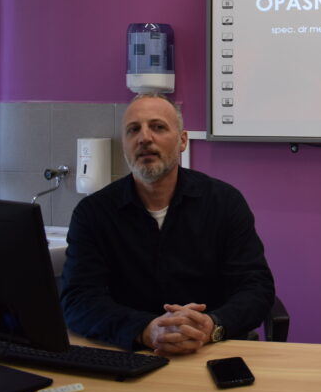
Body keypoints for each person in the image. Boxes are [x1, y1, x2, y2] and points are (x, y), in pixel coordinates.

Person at [60, 93, 275, 355]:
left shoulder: (224, 202)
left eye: (158, 127)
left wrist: (211, 326)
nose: (144, 138)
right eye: (133, 130)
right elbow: (78, 299)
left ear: (182, 140)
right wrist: (145, 330)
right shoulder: (93, 213)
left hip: (211, 351)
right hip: (131, 353)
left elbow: (256, 288)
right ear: (125, 144)